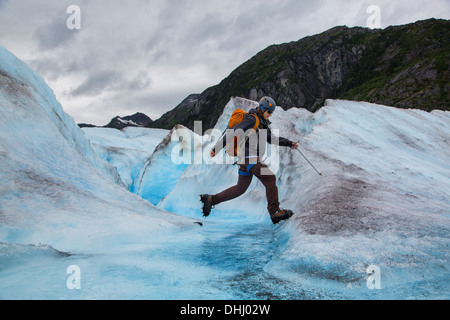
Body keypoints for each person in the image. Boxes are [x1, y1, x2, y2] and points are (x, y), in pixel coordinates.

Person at [200, 96, 299, 224]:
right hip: (249, 158)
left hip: (245, 160)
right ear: (263, 109)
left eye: (272, 113)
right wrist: (217, 147)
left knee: (240, 189)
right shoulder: (253, 119)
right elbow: (235, 131)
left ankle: (211, 200)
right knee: (270, 178)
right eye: (269, 112)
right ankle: (274, 211)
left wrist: (289, 143)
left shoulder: (262, 123)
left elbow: (272, 139)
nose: (270, 115)